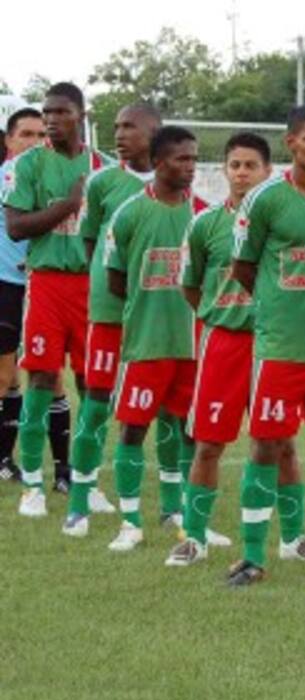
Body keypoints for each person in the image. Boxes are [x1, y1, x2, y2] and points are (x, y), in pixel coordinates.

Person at [226, 104, 305, 587]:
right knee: (267, 445)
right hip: (281, 348)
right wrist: (278, 305)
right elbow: (243, 266)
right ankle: (254, 556)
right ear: (291, 143)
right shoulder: (264, 199)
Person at [165, 132, 277, 566]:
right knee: (209, 443)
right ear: (225, 171)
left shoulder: (279, 222)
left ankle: (291, 538)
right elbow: (190, 287)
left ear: (269, 171)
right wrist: (220, 315)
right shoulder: (205, 224)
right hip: (223, 343)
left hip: (272, 343)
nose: (243, 173)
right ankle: (193, 536)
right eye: (236, 165)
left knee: (278, 443)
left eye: (252, 165)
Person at [1, 82, 111, 516]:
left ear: (81, 115)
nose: (50, 119)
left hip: (92, 289)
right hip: (46, 284)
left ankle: (87, 479)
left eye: (60, 112)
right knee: (42, 382)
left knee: (93, 386)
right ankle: (32, 484)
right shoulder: (26, 164)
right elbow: (16, 227)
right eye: (46, 112)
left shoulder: (104, 168)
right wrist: (70, 204)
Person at [63, 103, 165, 538]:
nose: (121, 134)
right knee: (97, 404)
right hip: (109, 315)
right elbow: (91, 243)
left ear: (155, 132)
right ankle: (79, 501)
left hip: (159, 317)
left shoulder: (173, 183)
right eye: (117, 127)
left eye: (130, 127)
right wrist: (108, 290)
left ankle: (174, 510)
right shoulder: (103, 181)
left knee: (169, 413)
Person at [102, 126, 206, 552]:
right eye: (182, 159)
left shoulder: (203, 213)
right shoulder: (129, 212)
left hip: (192, 344)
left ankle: (181, 512)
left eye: (194, 159)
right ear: (159, 161)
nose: (191, 167)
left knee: (187, 430)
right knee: (132, 429)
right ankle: (129, 521)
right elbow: (115, 280)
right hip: (145, 343)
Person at [0, 108, 45, 481]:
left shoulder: (43, 177)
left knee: (20, 377)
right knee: (4, 376)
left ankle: (5, 459)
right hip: (6, 286)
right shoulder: (8, 176)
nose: (33, 143)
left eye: (40, 135)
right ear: (8, 140)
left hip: (37, 287)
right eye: (25, 134)